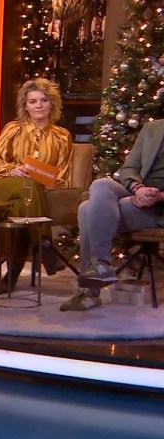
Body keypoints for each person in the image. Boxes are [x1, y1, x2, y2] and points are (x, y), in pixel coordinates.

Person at [59, 120, 164, 311]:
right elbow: (129, 168)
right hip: (137, 192)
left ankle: (90, 289)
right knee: (101, 184)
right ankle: (101, 265)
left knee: (85, 209)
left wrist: (159, 196)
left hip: (158, 206)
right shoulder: (153, 128)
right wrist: (137, 188)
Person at [0, 77, 73, 293]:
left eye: (44, 100)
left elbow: (63, 174)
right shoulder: (13, 129)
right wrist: (12, 170)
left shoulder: (62, 137)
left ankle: (14, 269)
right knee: (26, 184)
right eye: (33, 101)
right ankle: (44, 244)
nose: (38, 106)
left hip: (35, 193)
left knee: (22, 204)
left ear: (52, 103)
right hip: (3, 183)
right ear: (25, 106)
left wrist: (42, 182)